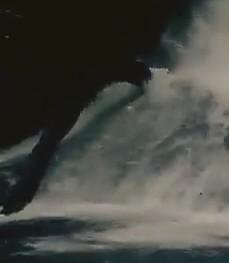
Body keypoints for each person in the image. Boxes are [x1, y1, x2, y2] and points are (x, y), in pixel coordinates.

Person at [0, 58, 151, 215]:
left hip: (66, 96)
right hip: (60, 93)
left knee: (46, 146)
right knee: (45, 146)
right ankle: (17, 197)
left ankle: (17, 197)